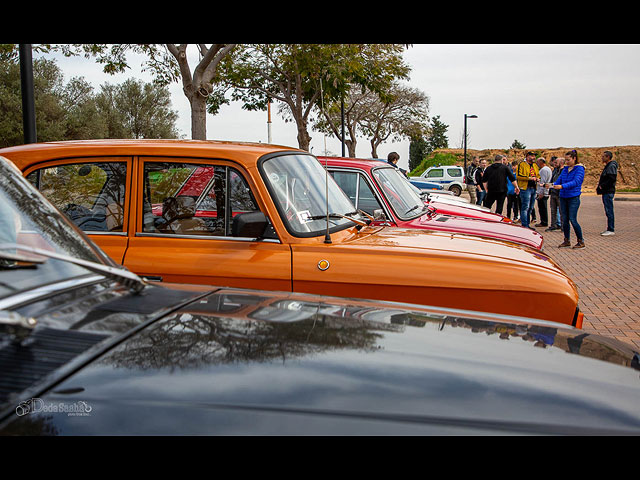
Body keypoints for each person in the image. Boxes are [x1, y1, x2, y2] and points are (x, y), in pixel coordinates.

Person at [550, 149, 585, 249]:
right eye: (565, 160)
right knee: (564, 219)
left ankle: (580, 240)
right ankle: (566, 240)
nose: (567, 162)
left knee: (572, 219)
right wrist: (551, 185)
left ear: (574, 158)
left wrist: (562, 186)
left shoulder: (579, 169)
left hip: (573, 197)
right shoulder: (565, 169)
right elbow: (559, 180)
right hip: (563, 197)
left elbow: (576, 182)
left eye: (568, 159)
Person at [516, 152, 539, 229]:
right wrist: (529, 178)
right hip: (525, 188)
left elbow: (538, 175)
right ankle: (524, 225)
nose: (533, 158)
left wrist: (538, 178)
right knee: (525, 207)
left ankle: (527, 224)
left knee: (531, 207)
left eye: (534, 156)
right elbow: (518, 176)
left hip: (533, 188)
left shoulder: (535, 165)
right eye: (532, 156)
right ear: (527, 156)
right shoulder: (521, 165)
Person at [597, 150, 618, 236]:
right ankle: (609, 228)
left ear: (608, 157)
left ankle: (611, 229)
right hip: (605, 191)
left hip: (608, 191)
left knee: (609, 210)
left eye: (603, 156)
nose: (602, 158)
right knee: (607, 210)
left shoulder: (611, 166)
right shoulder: (608, 166)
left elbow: (612, 178)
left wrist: (603, 186)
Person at [546, 157, 564, 231]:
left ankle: (563, 226)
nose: (555, 164)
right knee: (553, 210)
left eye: (556, 162)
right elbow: (552, 180)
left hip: (560, 193)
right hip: (553, 192)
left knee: (561, 211)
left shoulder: (564, 171)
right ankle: (553, 225)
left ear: (561, 163)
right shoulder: (555, 170)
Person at [535, 157, 552, 227]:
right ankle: (544, 221)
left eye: (537, 162)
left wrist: (541, 193)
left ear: (541, 162)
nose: (536, 164)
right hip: (545, 191)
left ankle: (544, 222)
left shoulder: (543, 170)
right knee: (542, 207)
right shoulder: (547, 169)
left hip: (543, 192)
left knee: (542, 208)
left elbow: (543, 182)